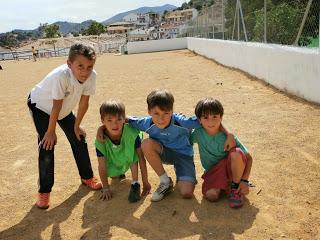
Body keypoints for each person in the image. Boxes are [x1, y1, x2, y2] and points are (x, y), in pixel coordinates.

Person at [27, 43, 102, 209]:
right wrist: (50, 131)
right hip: (41, 106)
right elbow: (56, 106)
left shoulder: (91, 76)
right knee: (48, 145)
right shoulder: (62, 76)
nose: (85, 71)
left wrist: (77, 125)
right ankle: (44, 191)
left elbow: (84, 103)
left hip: (63, 107)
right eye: (80, 66)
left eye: (89, 67)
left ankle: (87, 177)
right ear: (69, 64)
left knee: (79, 138)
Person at [125, 89, 235, 202]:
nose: (161, 119)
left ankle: (183, 175)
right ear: (149, 111)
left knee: (186, 193)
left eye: (166, 113)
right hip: (164, 153)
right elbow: (124, 119)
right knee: (146, 144)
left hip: (183, 156)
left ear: (172, 111)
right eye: (156, 113)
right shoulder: (147, 123)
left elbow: (211, 119)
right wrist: (104, 128)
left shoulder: (183, 121)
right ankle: (165, 181)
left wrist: (229, 134)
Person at [191, 97, 253, 208]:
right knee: (211, 196)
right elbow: (183, 143)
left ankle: (235, 187)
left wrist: (245, 180)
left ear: (221, 117)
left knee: (236, 153)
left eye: (215, 116)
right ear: (199, 120)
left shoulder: (228, 137)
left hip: (231, 169)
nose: (211, 121)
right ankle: (226, 185)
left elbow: (248, 157)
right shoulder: (197, 133)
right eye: (206, 117)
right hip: (213, 171)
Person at [95, 100, 151, 202]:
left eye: (118, 119)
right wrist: (106, 187)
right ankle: (119, 172)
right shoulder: (100, 140)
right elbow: (101, 165)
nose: (115, 124)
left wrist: (145, 181)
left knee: (134, 156)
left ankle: (135, 183)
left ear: (124, 119)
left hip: (129, 156)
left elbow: (141, 158)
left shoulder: (131, 132)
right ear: (102, 121)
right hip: (115, 159)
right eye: (109, 120)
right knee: (114, 176)